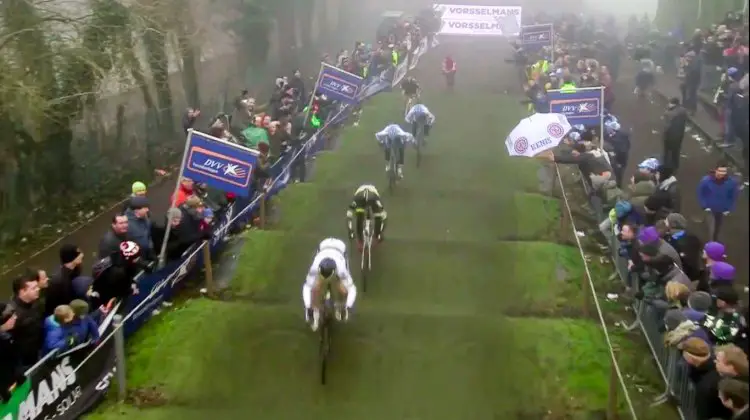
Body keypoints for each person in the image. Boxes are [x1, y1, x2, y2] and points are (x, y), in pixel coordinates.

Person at [302, 238, 357, 332]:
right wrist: (308, 307)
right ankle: (315, 311)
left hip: (340, 250)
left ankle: (340, 306)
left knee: (343, 289)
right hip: (323, 246)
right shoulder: (315, 267)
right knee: (316, 288)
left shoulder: (341, 269)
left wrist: (348, 306)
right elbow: (307, 287)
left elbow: (351, 288)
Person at [697, 161, 739, 241]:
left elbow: (733, 196)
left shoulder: (731, 183)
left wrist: (729, 208)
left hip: (722, 210)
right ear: (715, 170)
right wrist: (704, 206)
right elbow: (701, 193)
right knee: (712, 229)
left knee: (718, 229)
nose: (721, 173)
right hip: (710, 210)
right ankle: (711, 246)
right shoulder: (706, 180)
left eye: (724, 171)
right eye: (720, 171)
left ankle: (714, 242)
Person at [347, 185, 387, 250]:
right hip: (373, 197)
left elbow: (349, 217)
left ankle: (360, 241)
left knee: (359, 216)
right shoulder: (376, 197)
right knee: (378, 216)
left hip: (360, 197)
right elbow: (384, 217)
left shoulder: (357, 197)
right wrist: (380, 233)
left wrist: (350, 231)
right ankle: (376, 236)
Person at [662, 97, 687, 172]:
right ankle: (675, 165)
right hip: (679, 135)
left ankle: (666, 166)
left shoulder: (670, 114)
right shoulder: (683, 111)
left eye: (670, 103)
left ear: (673, 104)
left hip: (670, 135)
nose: (668, 104)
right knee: (676, 151)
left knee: (667, 151)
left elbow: (667, 125)